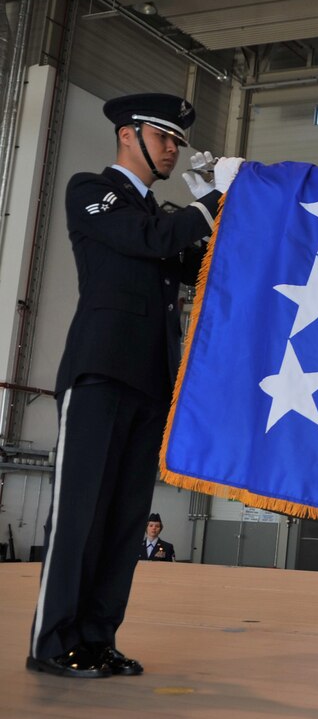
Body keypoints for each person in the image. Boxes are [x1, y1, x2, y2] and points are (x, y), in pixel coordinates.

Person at [26, 93, 243, 679]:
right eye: (164, 137)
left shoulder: (162, 215)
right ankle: (53, 642)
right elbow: (151, 239)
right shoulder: (92, 192)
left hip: (150, 382)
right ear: (129, 135)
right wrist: (216, 201)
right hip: (99, 373)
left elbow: (202, 265)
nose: (174, 149)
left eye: (178, 141)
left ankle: (96, 637)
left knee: (124, 520)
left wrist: (231, 216)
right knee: (79, 514)